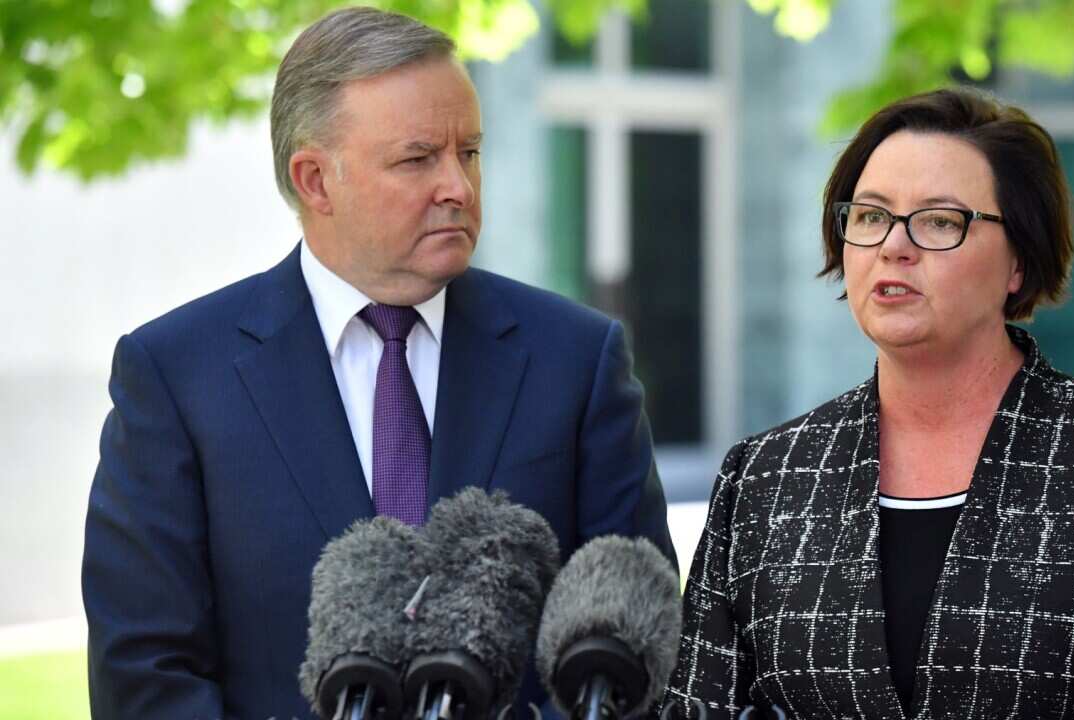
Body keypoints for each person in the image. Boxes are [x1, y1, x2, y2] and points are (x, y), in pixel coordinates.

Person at [81, 8, 675, 719]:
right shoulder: (177, 376)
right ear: (316, 181)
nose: (457, 184)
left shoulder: (577, 360)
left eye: (470, 153)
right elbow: (146, 678)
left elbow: (641, 648)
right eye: (418, 158)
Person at [660, 87, 1074, 719]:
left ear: (1019, 260)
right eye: (871, 216)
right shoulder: (767, 478)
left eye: (939, 221)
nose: (893, 247)